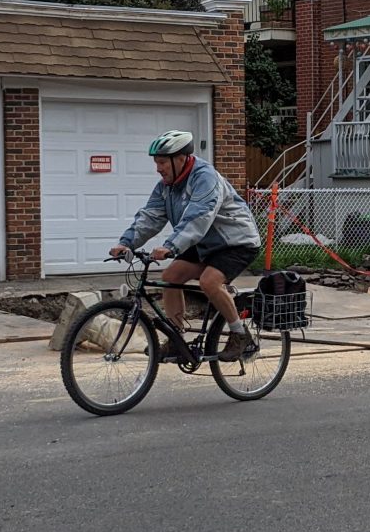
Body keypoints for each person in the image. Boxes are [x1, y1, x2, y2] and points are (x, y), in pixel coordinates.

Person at [108, 130, 263, 361]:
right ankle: (176, 339)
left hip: (235, 241)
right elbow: (150, 217)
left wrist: (171, 245)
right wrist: (126, 242)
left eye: (162, 162)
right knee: (170, 277)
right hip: (203, 243)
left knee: (209, 282)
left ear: (181, 158)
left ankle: (240, 335)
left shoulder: (205, 178)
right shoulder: (166, 186)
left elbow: (198, 217)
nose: (158, 168)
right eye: (156, 163)